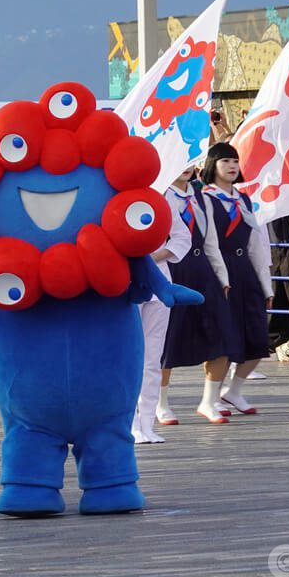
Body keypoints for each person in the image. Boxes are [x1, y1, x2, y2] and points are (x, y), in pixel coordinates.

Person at [199, 143, 273, 414]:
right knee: (223, 338)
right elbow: (210, 243)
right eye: (225, 161)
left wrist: (266, 284)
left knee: (257, 336)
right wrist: (221, 277)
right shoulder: (205, 198)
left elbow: (256, 243)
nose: (231, 167)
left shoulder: (243, 199)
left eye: (234, 161)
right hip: (220, 272)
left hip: (246, 272)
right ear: (212, 166)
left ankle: (234, 391)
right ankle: (209, 399)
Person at [158, 165, 232, 425]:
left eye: (190, 161)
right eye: (179, 162)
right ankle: (160, 402)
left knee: (221, 335)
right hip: (172, 271)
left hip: (203, 271)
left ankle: (209, 401)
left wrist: (222, 277)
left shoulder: (202, 198)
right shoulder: (159, 194)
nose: (186, 168)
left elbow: (211, 241)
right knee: (167, 339)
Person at [132, 171, 192, 444]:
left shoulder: (162, 195)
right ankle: (129, 423)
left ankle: (146, 422)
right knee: (128, 358)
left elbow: (182, 237)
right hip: (125, 286)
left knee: (152, 359)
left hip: (159, 285)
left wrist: (154, 256)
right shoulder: (114, 193)